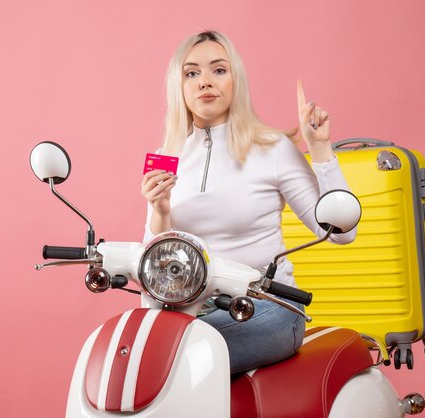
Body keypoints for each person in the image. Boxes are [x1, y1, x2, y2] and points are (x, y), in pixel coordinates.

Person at [141, 30, 356, 374]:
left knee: (183, 355)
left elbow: (341, 232)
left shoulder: (271, 148)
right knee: (135, 347)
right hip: (193, 310)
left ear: (235, 80)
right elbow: (154, 265)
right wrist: (160, 213)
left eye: (219, 70)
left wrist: (320, 150)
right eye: (192, 73)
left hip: (268, 305)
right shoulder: (168, 156)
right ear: (178, 87)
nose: (205, 82)